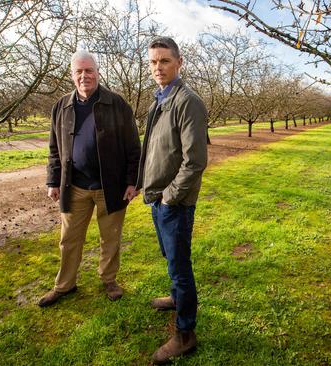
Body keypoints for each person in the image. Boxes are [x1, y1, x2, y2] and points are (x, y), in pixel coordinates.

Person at [39, 50, 141, 307]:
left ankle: (109, 280)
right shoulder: (61, 107)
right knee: (69, 239)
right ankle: (65, 285)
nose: (84, 76)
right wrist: (53, 181)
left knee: (111, 239)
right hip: (74, 187)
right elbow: (54, 148)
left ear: (97, 72)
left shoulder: (117, 104)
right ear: (72, 75)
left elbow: (133, 147)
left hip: (112, 187)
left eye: (89, 71)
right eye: (79, 71)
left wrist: (132, 181)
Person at [138, 37, 208, 364]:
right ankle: (177, 300)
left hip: (174, 202)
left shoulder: (186, 101)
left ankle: (185, 334)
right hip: (157, 197)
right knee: (170, 258)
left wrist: (169, 198)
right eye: (153, 62)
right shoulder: (158, 100)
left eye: (164, 61)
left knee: (180, 266)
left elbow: (194, 160)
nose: (157, 68)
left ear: (179, 62)